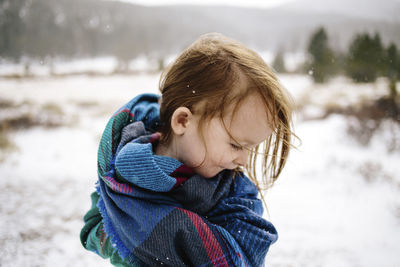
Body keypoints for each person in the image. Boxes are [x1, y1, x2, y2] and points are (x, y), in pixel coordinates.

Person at [80, 32, 294, 267]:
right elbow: (92, 228)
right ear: (182, 121)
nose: (243, 160)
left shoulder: (234, 190)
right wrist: (132, 251)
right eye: (235, 145)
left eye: (250, 149)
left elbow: (246, 249)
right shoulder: (122, 175)